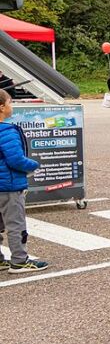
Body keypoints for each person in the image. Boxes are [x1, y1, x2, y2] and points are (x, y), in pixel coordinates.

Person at [0, 89, 45, 274]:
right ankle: (19, 260)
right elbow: (16, 160)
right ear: (2, 107)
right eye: (10, 103)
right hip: (9, 186)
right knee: (15, 225)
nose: (12, 107)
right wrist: (34, 165)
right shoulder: (7, 131)